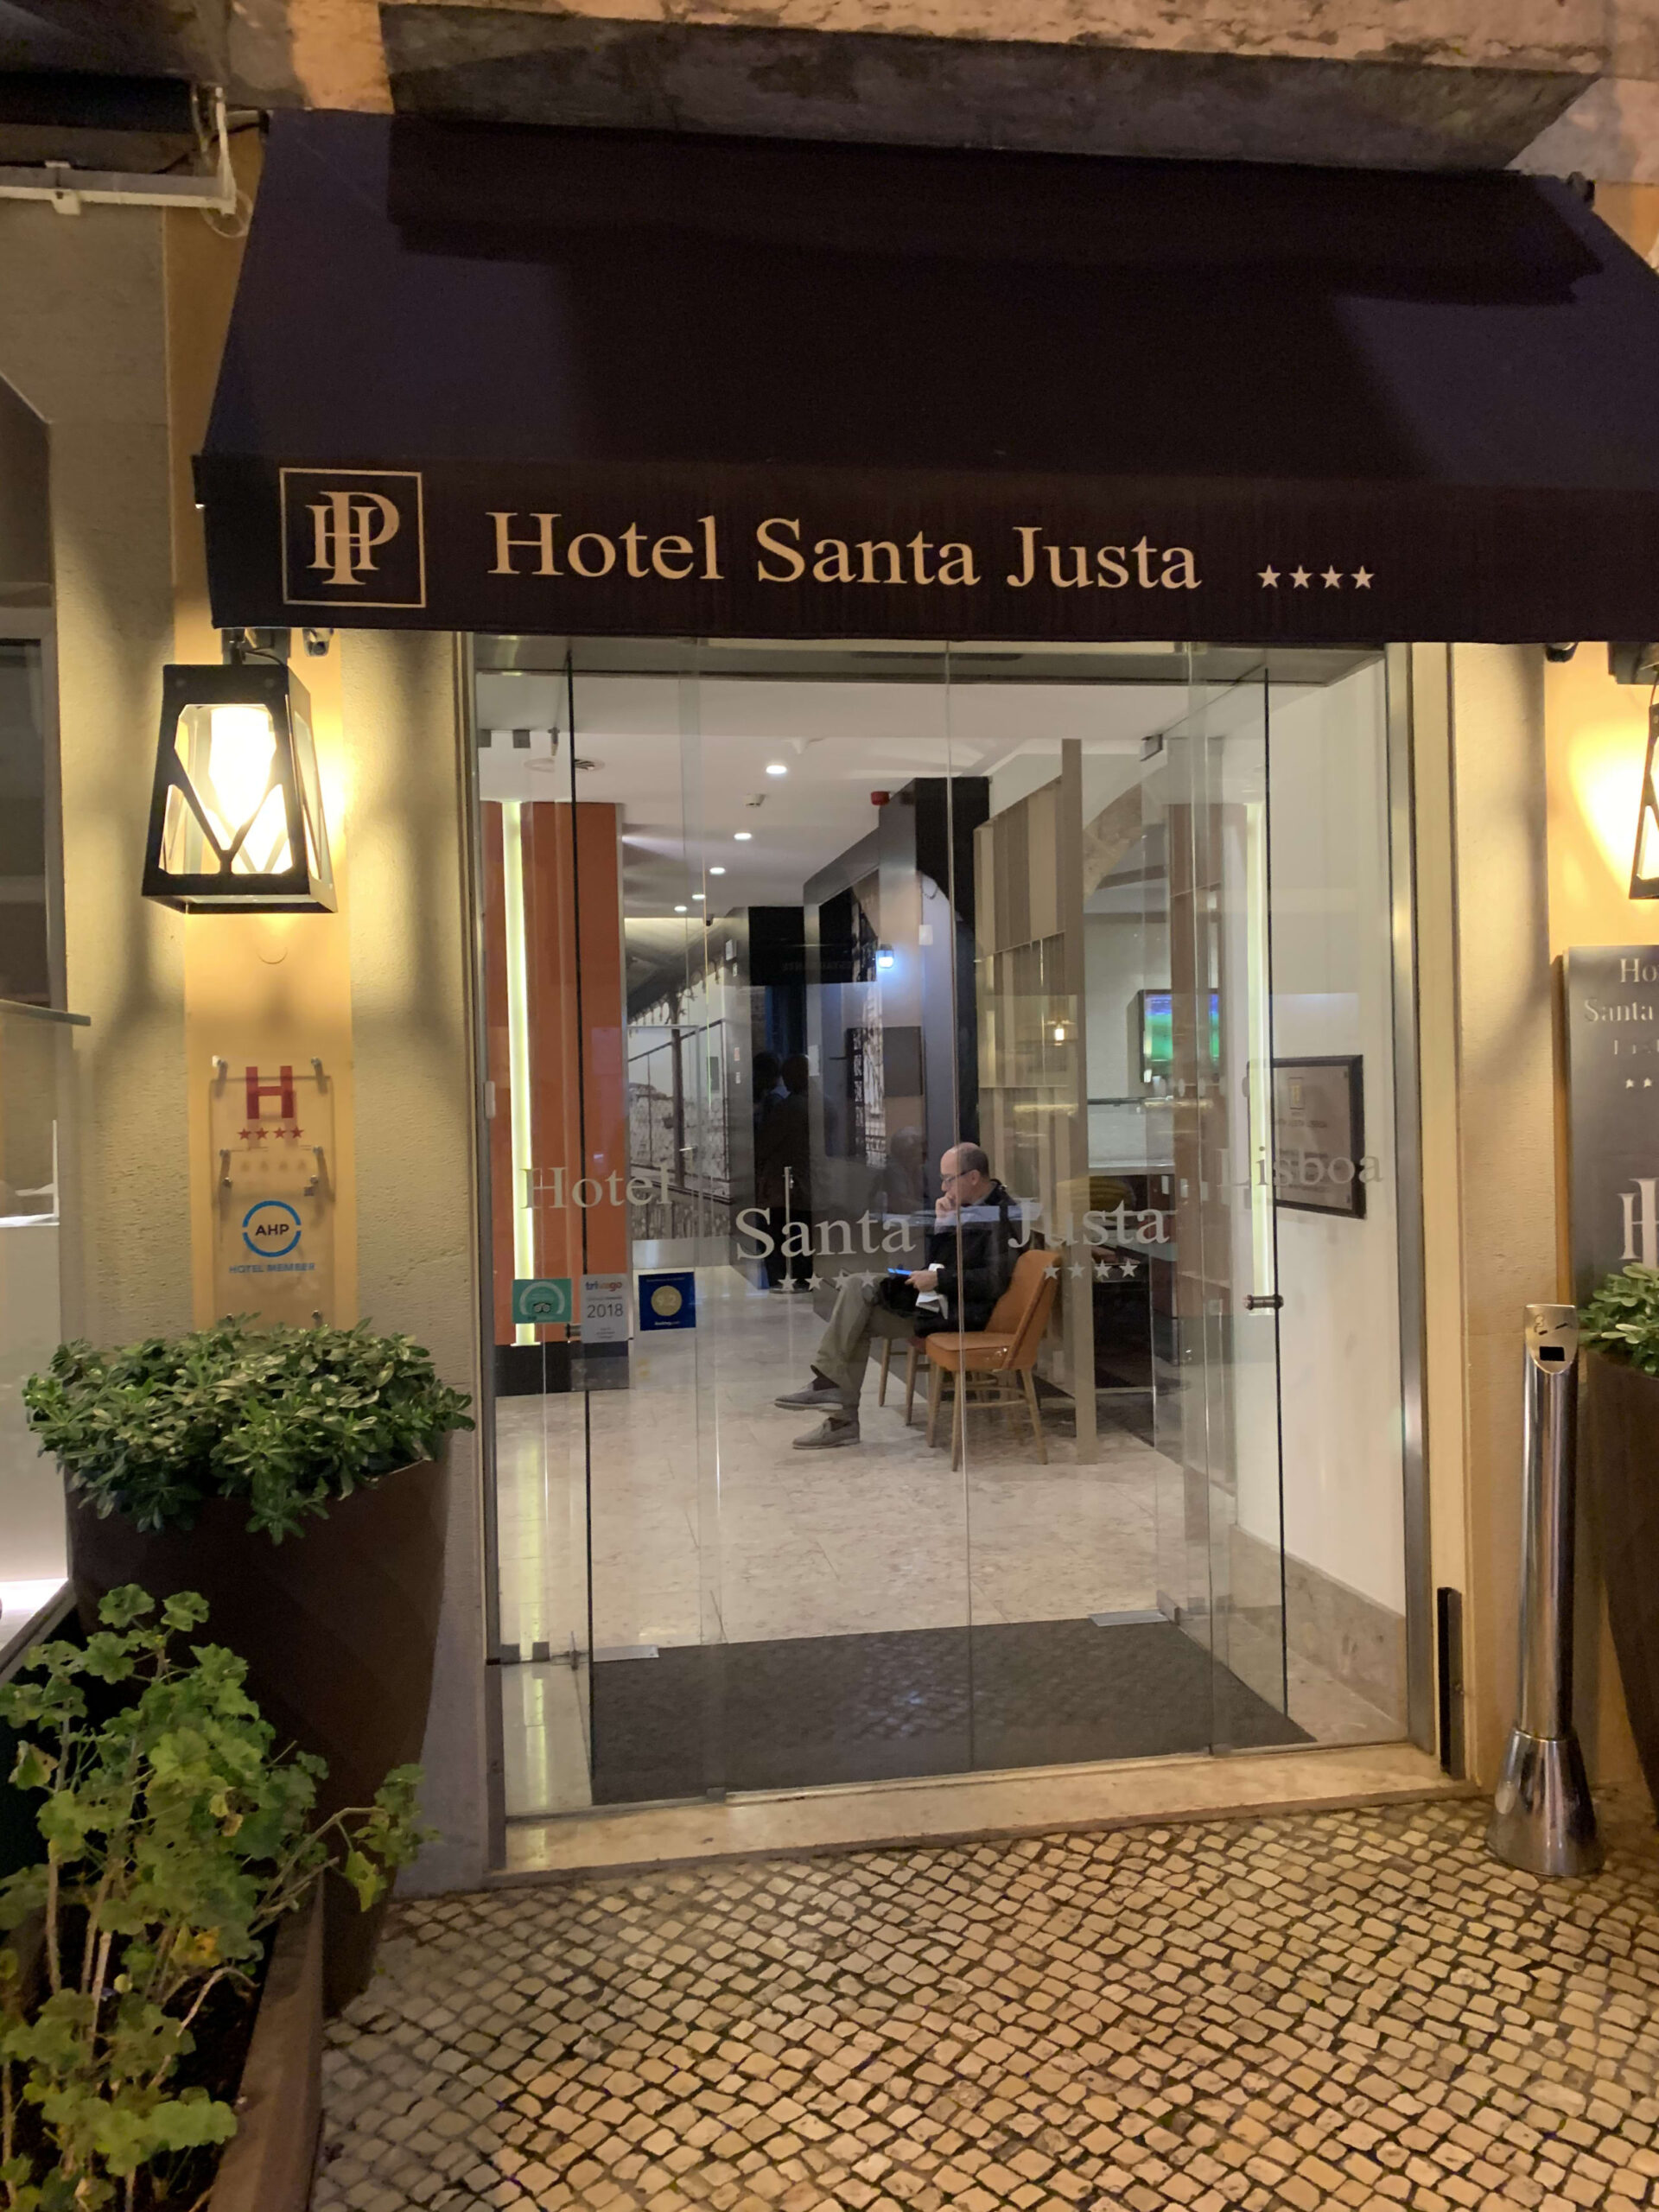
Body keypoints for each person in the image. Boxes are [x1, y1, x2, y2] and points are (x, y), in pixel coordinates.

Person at [777, 1141, 1017, 1449]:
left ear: (973, 1177)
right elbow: (943, 1262)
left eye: (949, 1179)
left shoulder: (1001, 1213)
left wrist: (939, 1278)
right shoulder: (967, 1208)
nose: (944, 1187)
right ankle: (835, 1403)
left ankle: (836, 1407)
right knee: (856, 1292)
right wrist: (944, 1228)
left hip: (963, 1312)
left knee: (857, 1306)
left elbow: (994, 1281)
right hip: (942, 1300)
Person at [755, 1052, 813, 1289]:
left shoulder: (788, 1109)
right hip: (812, 1188)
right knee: (805, 1244)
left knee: (781, 1244)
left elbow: (764, 1146)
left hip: (787, 1190)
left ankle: (783, 1284)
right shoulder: (825, 1104)